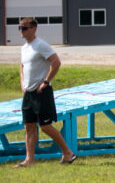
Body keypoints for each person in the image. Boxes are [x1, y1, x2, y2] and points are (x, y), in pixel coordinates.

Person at [15, 17, 75, 167]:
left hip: (42, 92)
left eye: (24, 28)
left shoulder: (41, 45)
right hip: (29, 93)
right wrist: (22, 82)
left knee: (45, 126)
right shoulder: (24, 48)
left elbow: (56, 62)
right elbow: (22, 66)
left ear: (33, 28)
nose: (21, 31)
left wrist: (46, 82)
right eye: (20, 28)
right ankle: (29, 160)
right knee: (29, 126)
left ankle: (67, 153)